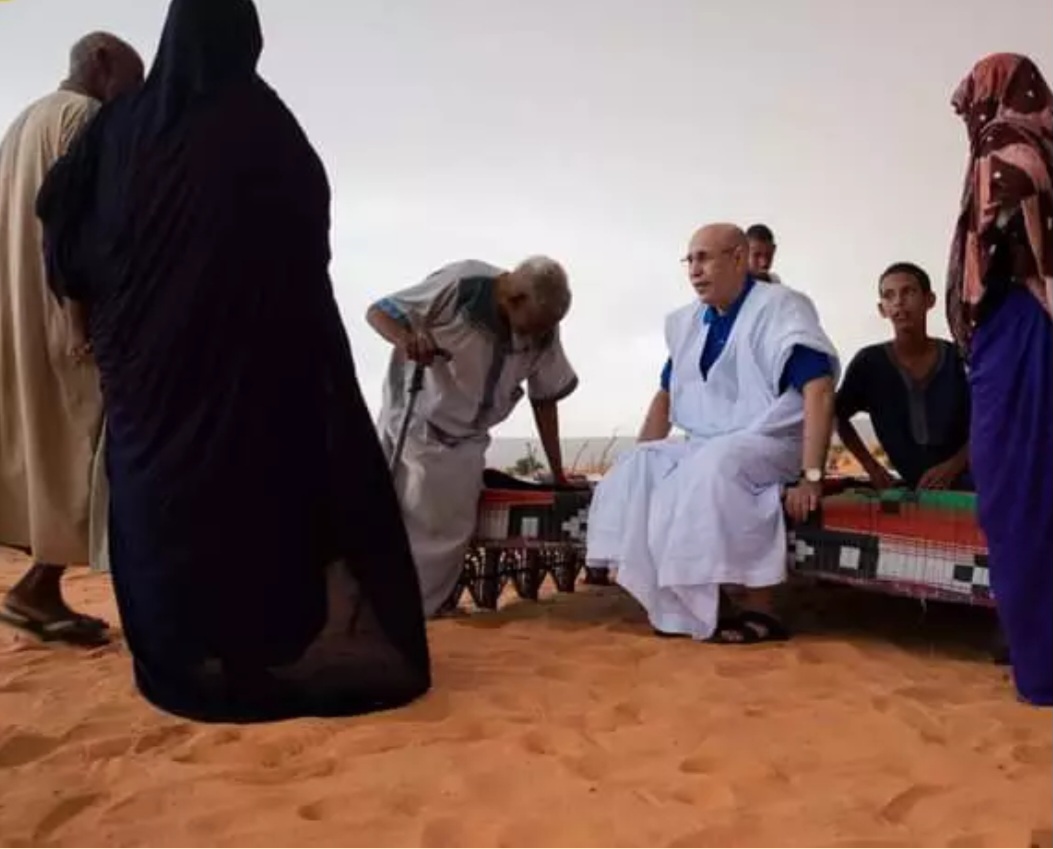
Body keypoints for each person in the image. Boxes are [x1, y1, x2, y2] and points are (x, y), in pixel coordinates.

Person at [34, 0, 431, 722]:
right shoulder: (271, 128)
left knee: (168, 506)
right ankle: (264, 651)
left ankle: (184, 658)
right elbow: (308, 237)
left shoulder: (120, 128)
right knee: (263, 501)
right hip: (260, 369)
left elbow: (65, 225)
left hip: (152, 378)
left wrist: (103, 319)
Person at [586, 223, 839, 643]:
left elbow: (819, 389)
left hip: (774, 441)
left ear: (738, 259)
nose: (694, 270)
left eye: (704, 258)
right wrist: (645, 457)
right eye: (689, 260)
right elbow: (667, 395)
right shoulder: (687, 323)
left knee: (717, 464)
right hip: (708, 442)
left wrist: (811, 476)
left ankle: (762, 609)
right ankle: (689, 607)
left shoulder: (780, 308)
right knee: (641, 464)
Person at [0, 33, 143, 646]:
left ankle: (38, 591)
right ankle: (39, 591)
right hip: (68, 321)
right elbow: (81, 230)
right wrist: (86, 322)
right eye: (132, 82)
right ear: (101, 63)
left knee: (51, 456)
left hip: (22, 311)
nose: (133, 99)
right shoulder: (84, 117)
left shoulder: (24, 122)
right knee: (93, 458)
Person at [368, 257, 578, 617]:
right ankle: (402, 613)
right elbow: (380, 312)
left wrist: (557, 472)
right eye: (533, 326)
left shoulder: (545, 325)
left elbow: (545, 399)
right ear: (514, 299)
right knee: (407, 517)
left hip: (469, 436)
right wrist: (407, 339)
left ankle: (416, 611)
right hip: (417, 417)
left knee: (446, 530)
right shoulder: (461, 284)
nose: (535, 336)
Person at [946, 53, 1052, 707]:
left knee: (1017, 496)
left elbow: (997, 238)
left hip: (1018, 331)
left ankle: (1042, 668)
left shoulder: (1003, 144)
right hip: (1025, 331)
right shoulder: (1039, 144)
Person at [836, 262, 971, 491]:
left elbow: (992, 421)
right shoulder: (870, 363)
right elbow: (836, 414)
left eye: (908, 292)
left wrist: (955, 465)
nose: (899, 302)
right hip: (913, 490)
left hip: (972, 485)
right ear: (882, 309)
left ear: (929, 300)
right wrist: (872, 467)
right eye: (889, 296)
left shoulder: (959, 359)